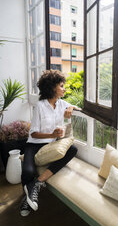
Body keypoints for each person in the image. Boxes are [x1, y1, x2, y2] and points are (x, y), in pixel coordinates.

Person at [20, 69, 80, 217]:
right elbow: (33, 133)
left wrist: (71, 108)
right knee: (28, 171)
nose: (64, 88)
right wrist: (52, 134)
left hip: (51, 144)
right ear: (52, 87)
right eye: (61, 85)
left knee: (72, 149)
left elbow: (78, 108)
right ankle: (26, 200)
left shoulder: (61, 103)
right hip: (34, 144)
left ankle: (37, 183)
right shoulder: (40, 106)